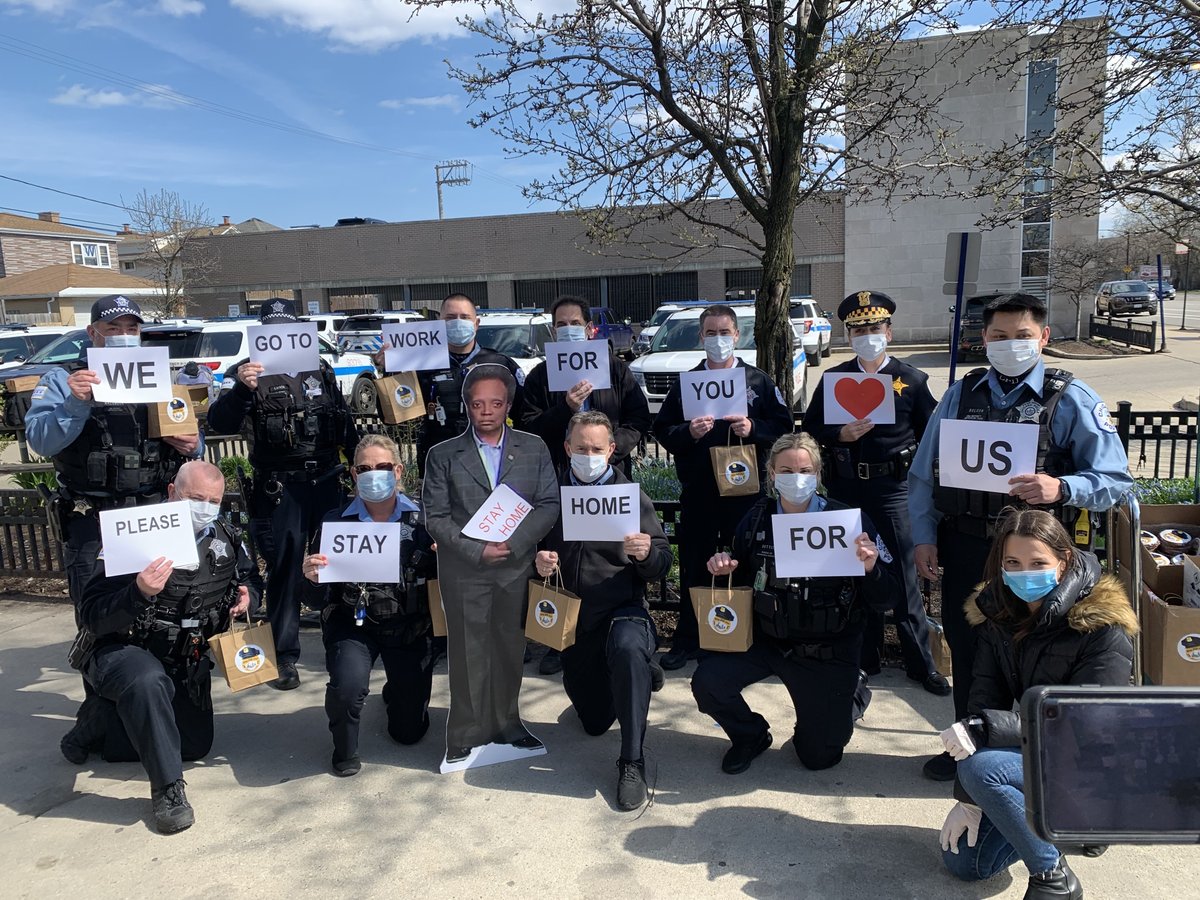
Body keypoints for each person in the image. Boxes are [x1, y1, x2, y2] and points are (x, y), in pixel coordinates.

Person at [908, 291, 1132, 781]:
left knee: (1042, 653)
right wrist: (923, 537)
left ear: (1044, 337)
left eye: (1023, 336)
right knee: (970, 653)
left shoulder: (1070, 397)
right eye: (999, 336)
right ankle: (969, 745)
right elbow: (924, 475)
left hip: (1041, 556)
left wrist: (1062, 486)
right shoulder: (958, 395)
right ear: (983, 340)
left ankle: (1047, 756)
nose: (1011, 345)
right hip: (969, 546)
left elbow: (1116, 481)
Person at [937, 508, 1136, 900]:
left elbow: (1083, 719)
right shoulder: (998, 612)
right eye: (1013, 562)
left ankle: (1053, 878)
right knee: (964, 863)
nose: (1025, 572)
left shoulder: (1102, 625)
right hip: (1043, 750)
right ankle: (1053, 831)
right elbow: (983, 700)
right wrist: (968, 800)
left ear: (1063, 563)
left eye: (1038, 563)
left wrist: (982, 749)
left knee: (984, 769)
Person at [59, 460, 259, 834]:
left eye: (212, 500)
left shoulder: (226, 536)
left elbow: (250, 579)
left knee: (195, 745)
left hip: (184, 655)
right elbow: (93, 615)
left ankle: (98, 724)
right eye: (194, 497)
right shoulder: (132, 536)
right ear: (172, 493)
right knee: (147, 683)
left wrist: (249, 598)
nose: (205, 507)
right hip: (122, 650)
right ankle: (168, 791)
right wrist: (138, 592)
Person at [691, 433, 896, 774]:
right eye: (785, 470)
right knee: (708, 683)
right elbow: (736, 572)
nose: (795, 478)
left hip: (827, 650)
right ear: (771, 474)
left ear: (817, 474)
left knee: (819, 757)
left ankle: (850, 695)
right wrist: (722, 566)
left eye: (804, 470)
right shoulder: (756, 519)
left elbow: (888, 598)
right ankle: (750, 735)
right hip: (769, 641)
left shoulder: (849, 522)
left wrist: (871, 568)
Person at [207, 297, 359, 691]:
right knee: (285, 570)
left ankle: (338, 645)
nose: (281, 335)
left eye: (287, 327)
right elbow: (219, 422)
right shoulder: (243, 374)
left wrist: (359, 464)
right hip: (280, 487)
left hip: (327, 480)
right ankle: (285, 656)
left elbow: (342, 421)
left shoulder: (320, 369)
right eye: (272, 328)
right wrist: (242, 390)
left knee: (336, 564)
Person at [802, 290, 948, 696]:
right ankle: (865, 658)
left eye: (874, 327)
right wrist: (838, 434)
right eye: (859, 329)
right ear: (849, 335)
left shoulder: (912, 380)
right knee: (853, 569)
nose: (867, 335)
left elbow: (932, 437)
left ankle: (922, 663)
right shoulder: (834, 379)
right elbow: (809, 430)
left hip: (892, 490)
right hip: (847, 487)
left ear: (889, 330)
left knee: (902, 576)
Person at [25, 295, 204, 617]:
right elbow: (41, 441)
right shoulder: (63, 381)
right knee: (97, 612)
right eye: (113, 327)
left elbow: (190, 433)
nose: (123, 334)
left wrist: (193, 444)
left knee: (162, 608)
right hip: (95, 518)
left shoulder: (158, 376)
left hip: (153, 513)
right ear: (93, 333)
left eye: (131, 328)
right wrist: (75, 403)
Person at [421, 364, 560, 763]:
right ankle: (465, 731)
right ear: (466, 405)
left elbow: (548, 504)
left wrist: (515, 544)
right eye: (478, 403)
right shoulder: (443, 455)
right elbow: (435, 516)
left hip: (515, 568)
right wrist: (474, 550)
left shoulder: (533, 448)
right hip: (465, 571)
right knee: (468, 650)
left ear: (508, 405)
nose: (487, 411)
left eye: (495, 403)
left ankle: (507, 723)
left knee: (508, 648)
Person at [533, 411, 671, 809]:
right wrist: (536, 563)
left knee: (628, 650)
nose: (588, 455)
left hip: (623, 609)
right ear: (567, 449)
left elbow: (661, 559)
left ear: (612, 450)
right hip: (575, 620)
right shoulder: (549, 495)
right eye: (581, 448)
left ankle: (632, 760)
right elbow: (525, 548)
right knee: (593, 722)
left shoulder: (632, 496)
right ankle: (638, 673)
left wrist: (646, 555)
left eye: (596, 449)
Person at [652, 303, 793, 670]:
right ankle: (688, 640)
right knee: (696, 566)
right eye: (710, 333)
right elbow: (663, 432)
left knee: (744, 564)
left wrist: (754, 429)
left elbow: (784, 426)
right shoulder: (687, 384)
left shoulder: (758, 381)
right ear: (701, 338)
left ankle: (747, 638)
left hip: (743, 494)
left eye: (724, 332)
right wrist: (688, 432)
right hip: (700, 492)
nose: (718, 339)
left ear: (737, 335)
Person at [520, 295, 652, 675]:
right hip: (560, 482)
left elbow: (638, 419)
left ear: (589, 328)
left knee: (610, 557)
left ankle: (630, 641)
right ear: (552, 330)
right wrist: (564, 408)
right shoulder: (540, 376)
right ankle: (559, 641)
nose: (567, 329)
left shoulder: (616, 369)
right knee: (564, 556)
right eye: (560, 324)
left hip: (611, 482)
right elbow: (529, 426)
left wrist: (611, 451)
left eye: (574, 322)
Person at [302, 435, 437, 777]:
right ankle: (344, 747)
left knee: (409, 733)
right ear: (352, 474)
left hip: (409, 627)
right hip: (354, 624)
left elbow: (446, 583)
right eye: (364, 468)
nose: (373, 474)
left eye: (382, 467)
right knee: (348, 688)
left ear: (398, 470)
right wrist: (311, 579)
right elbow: (317, 596)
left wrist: (446, 559)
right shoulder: (334, 522)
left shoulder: (424, 520)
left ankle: (398, 691)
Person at [415, 292, 526, 476]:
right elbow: (398, 416)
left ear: (476, 324)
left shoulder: (500, 365)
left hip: (492, 465)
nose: (458, 322)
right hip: (440, 466)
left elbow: (524, 416)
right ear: (439, 323)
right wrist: (391, 372)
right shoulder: (423, 366)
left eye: (464, 317)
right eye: (450, 318)